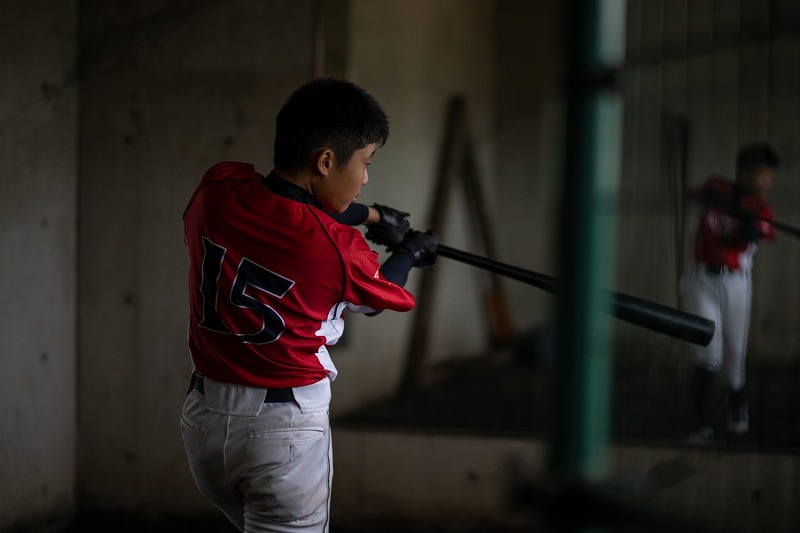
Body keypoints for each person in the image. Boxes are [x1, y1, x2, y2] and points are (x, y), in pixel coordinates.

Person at [180, 77, 437, 532]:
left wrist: (377, 216)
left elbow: (291, 199)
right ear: (325, 160)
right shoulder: (339, 250)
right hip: (281, 436)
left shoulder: (215, 189)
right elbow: (384, 297)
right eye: (365, 163)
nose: (365, 178)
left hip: (203, 424)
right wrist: (410, 251)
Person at [681, 142, 779, 444]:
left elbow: (755, 235)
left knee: (734, 359)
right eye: (759, 174)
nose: (765, 181)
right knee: (708, 352)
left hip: (736, 284)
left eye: (769, 175)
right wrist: (706, 197)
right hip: (701, 280)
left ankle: (737, 401)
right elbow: (690, 199)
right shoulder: (717, 187)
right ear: (743, 173)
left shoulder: (761, 211)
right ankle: (701, 428)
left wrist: (750, 225)